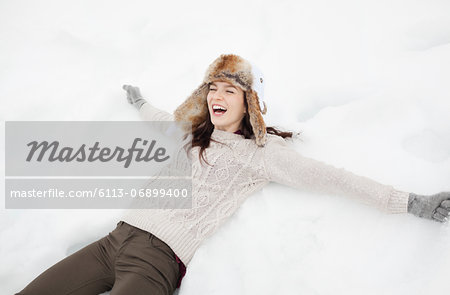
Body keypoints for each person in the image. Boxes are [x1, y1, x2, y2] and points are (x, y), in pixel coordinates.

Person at [16, 53, 450, 295]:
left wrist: (411, 202)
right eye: (212, 89)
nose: (217, 97)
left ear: (250, 102)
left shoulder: (261, 154)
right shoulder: (191, 132)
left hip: (157, 262)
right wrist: (137, 102)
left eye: (230, 90)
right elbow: (159, 119)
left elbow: (334, 178)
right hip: (113, 242)